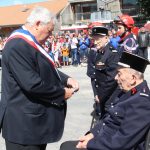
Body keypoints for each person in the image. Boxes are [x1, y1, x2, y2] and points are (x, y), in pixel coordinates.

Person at [0, 6, 79, 150]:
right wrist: (61, 93)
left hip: (33, 125)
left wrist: (66, 79)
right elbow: (32, 84)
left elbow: (42, 68)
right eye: (49, 31)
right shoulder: (18, 45)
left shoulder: (29, 44)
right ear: (37, 24)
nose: (50, 35)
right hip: (23, 128)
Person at [60, 51, 150, 150]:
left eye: (119, 74)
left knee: (67, 147)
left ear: (133, 78)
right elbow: (107, 119)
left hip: (109, 145)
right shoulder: (127, 91)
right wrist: (92, 134)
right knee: (66, 146)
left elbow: (121, 142)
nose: (116, 78)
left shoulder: (142, 102)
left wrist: (88, 144)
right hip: (104, 139)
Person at [87, 26, 120, 118]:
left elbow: (111, 79)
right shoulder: (100, 52)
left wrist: (100, 96)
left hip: (109, 95)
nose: (95, 42)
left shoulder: (112, 53)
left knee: (109, 118)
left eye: (98, 39)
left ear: (106, 38)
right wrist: (97, 93)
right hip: (103, 93)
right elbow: (96, 76)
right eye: (94, 39)